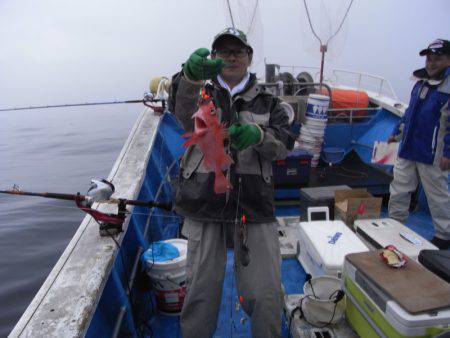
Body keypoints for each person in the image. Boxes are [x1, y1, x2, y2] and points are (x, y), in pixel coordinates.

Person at [169, 27, 295, 337]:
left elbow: (284, 145)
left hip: (254, 205)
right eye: (223, 51)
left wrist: (259, 136)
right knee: (199, 293)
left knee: (266, 295)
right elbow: (183, 113)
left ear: (249, 57)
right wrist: (189, 76)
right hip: (203, 202)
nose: (231, 56)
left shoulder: (271, 103)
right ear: (213, 58)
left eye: (238, 51)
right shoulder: (200, 92)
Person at [388, 39, 450, 250]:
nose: (431, 63)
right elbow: (410, 112)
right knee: (399, 188)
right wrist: (396, 132)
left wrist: (448, 152)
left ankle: (444, 234)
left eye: (438, 59)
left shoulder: (448, 87)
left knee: (437, 194)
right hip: (408, 147)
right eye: (429, 59)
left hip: (432, 152)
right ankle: (394, 224)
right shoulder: (420, 82)